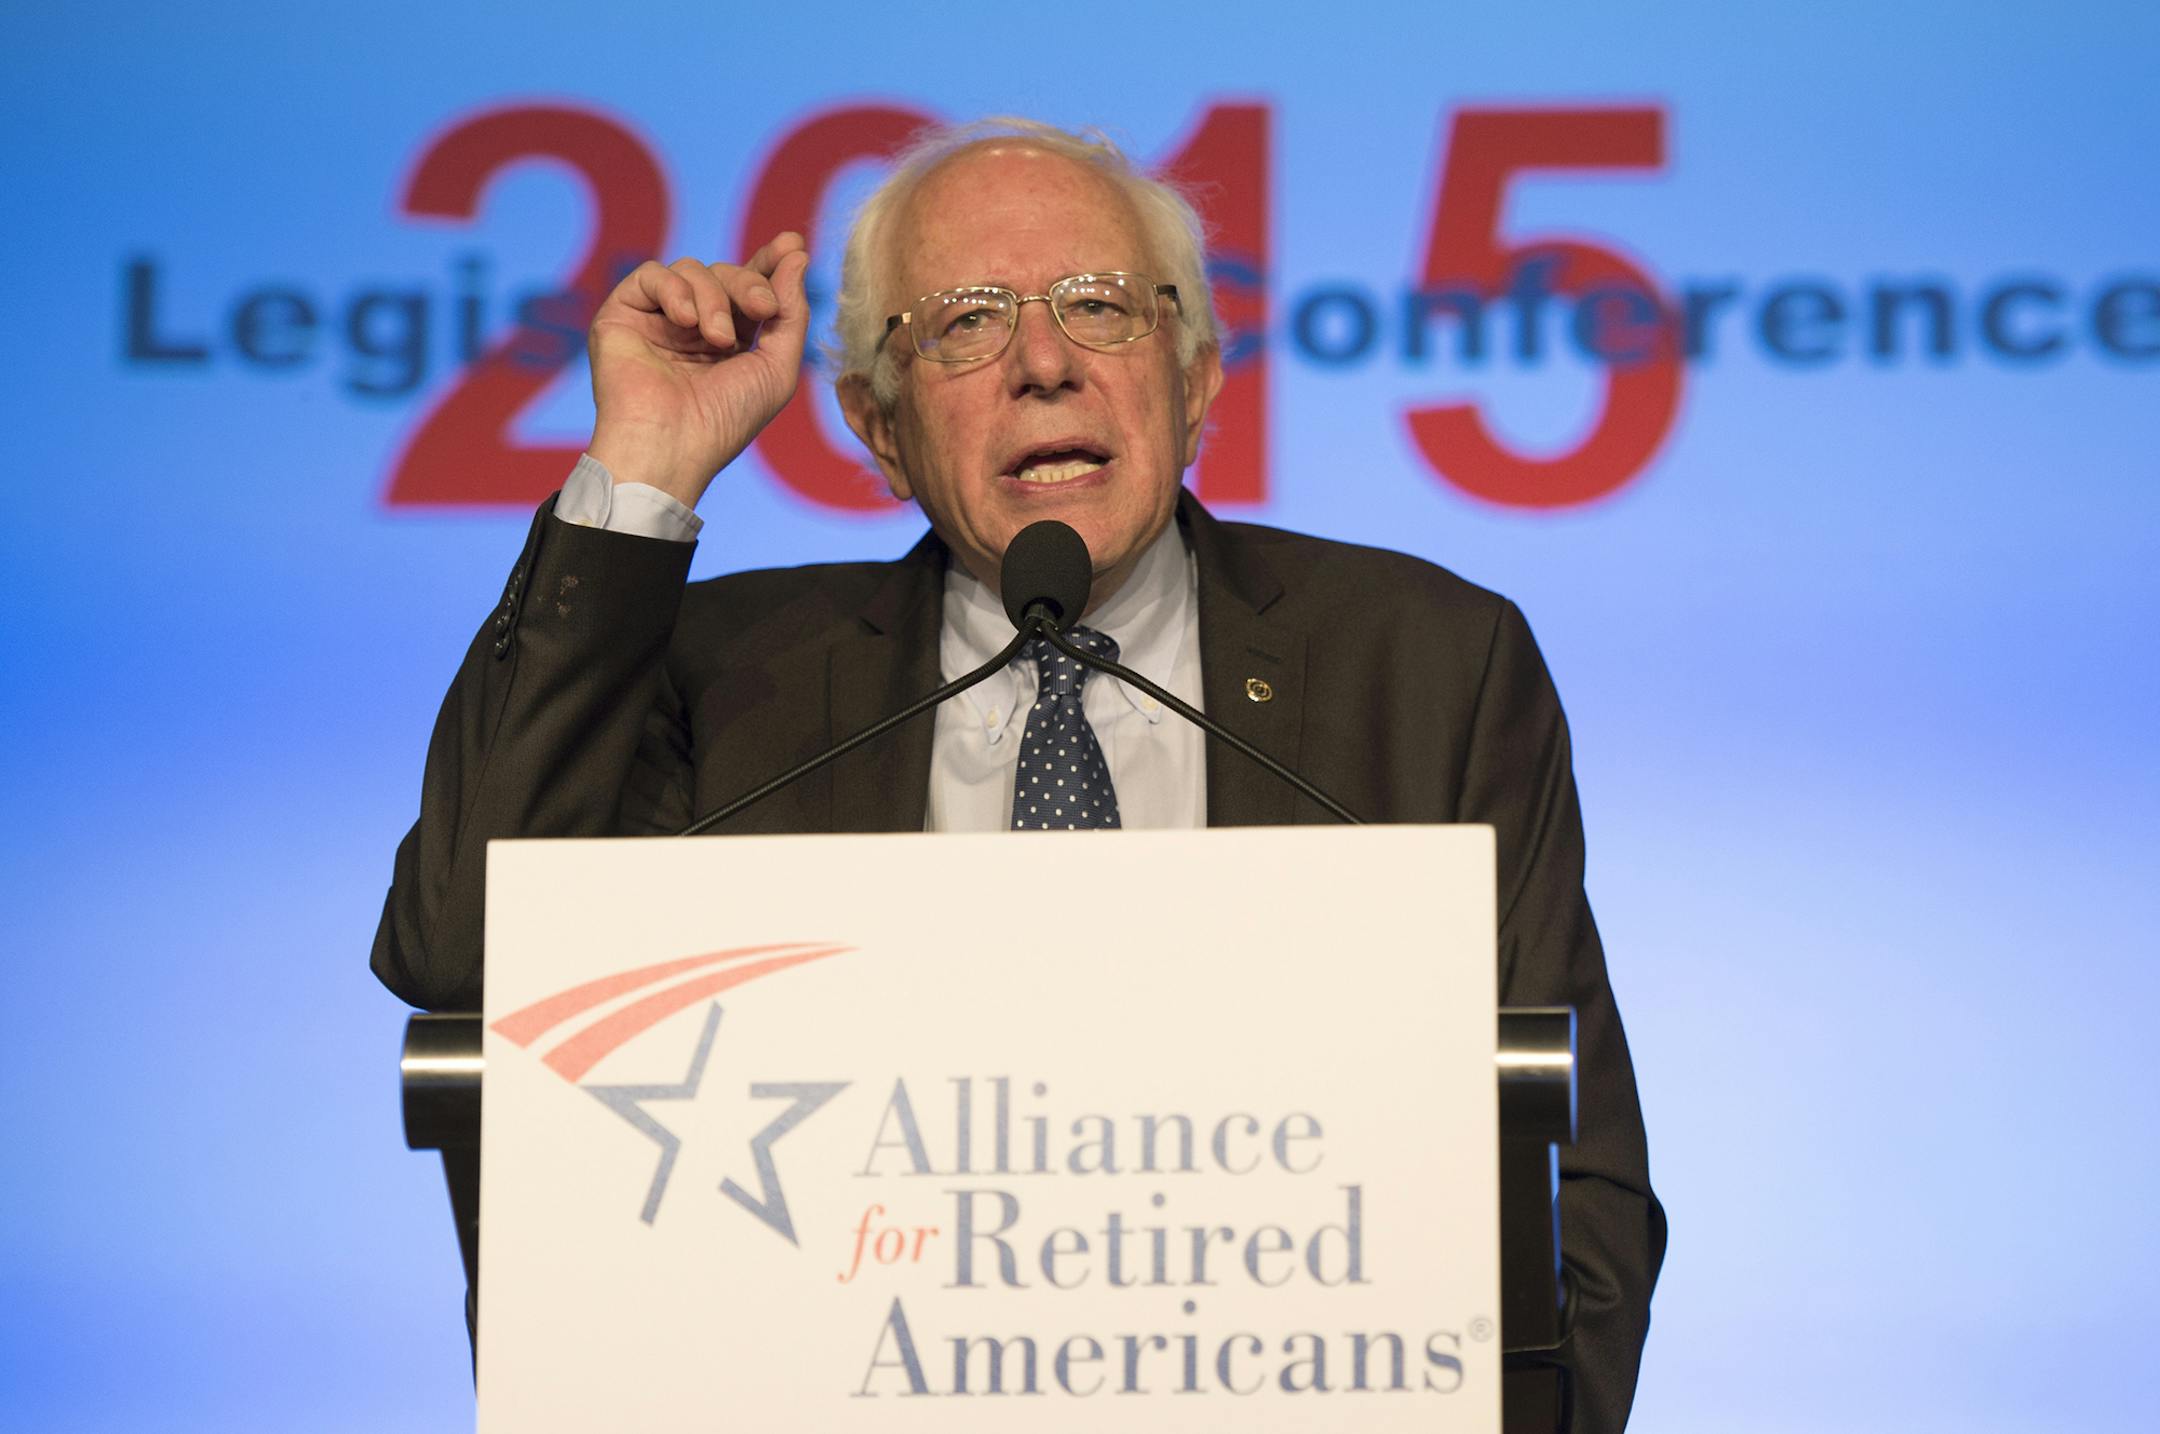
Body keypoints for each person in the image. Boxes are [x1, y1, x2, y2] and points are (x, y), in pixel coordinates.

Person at [372, 117, 1664, 1429]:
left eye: (1101, 307)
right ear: (879, 428)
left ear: (1199, 378)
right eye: (966, 324)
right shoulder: (728, 678)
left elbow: (1579, 1192)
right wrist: (647, 464)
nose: (1043, 363)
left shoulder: (1425, 665)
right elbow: (467, 947)